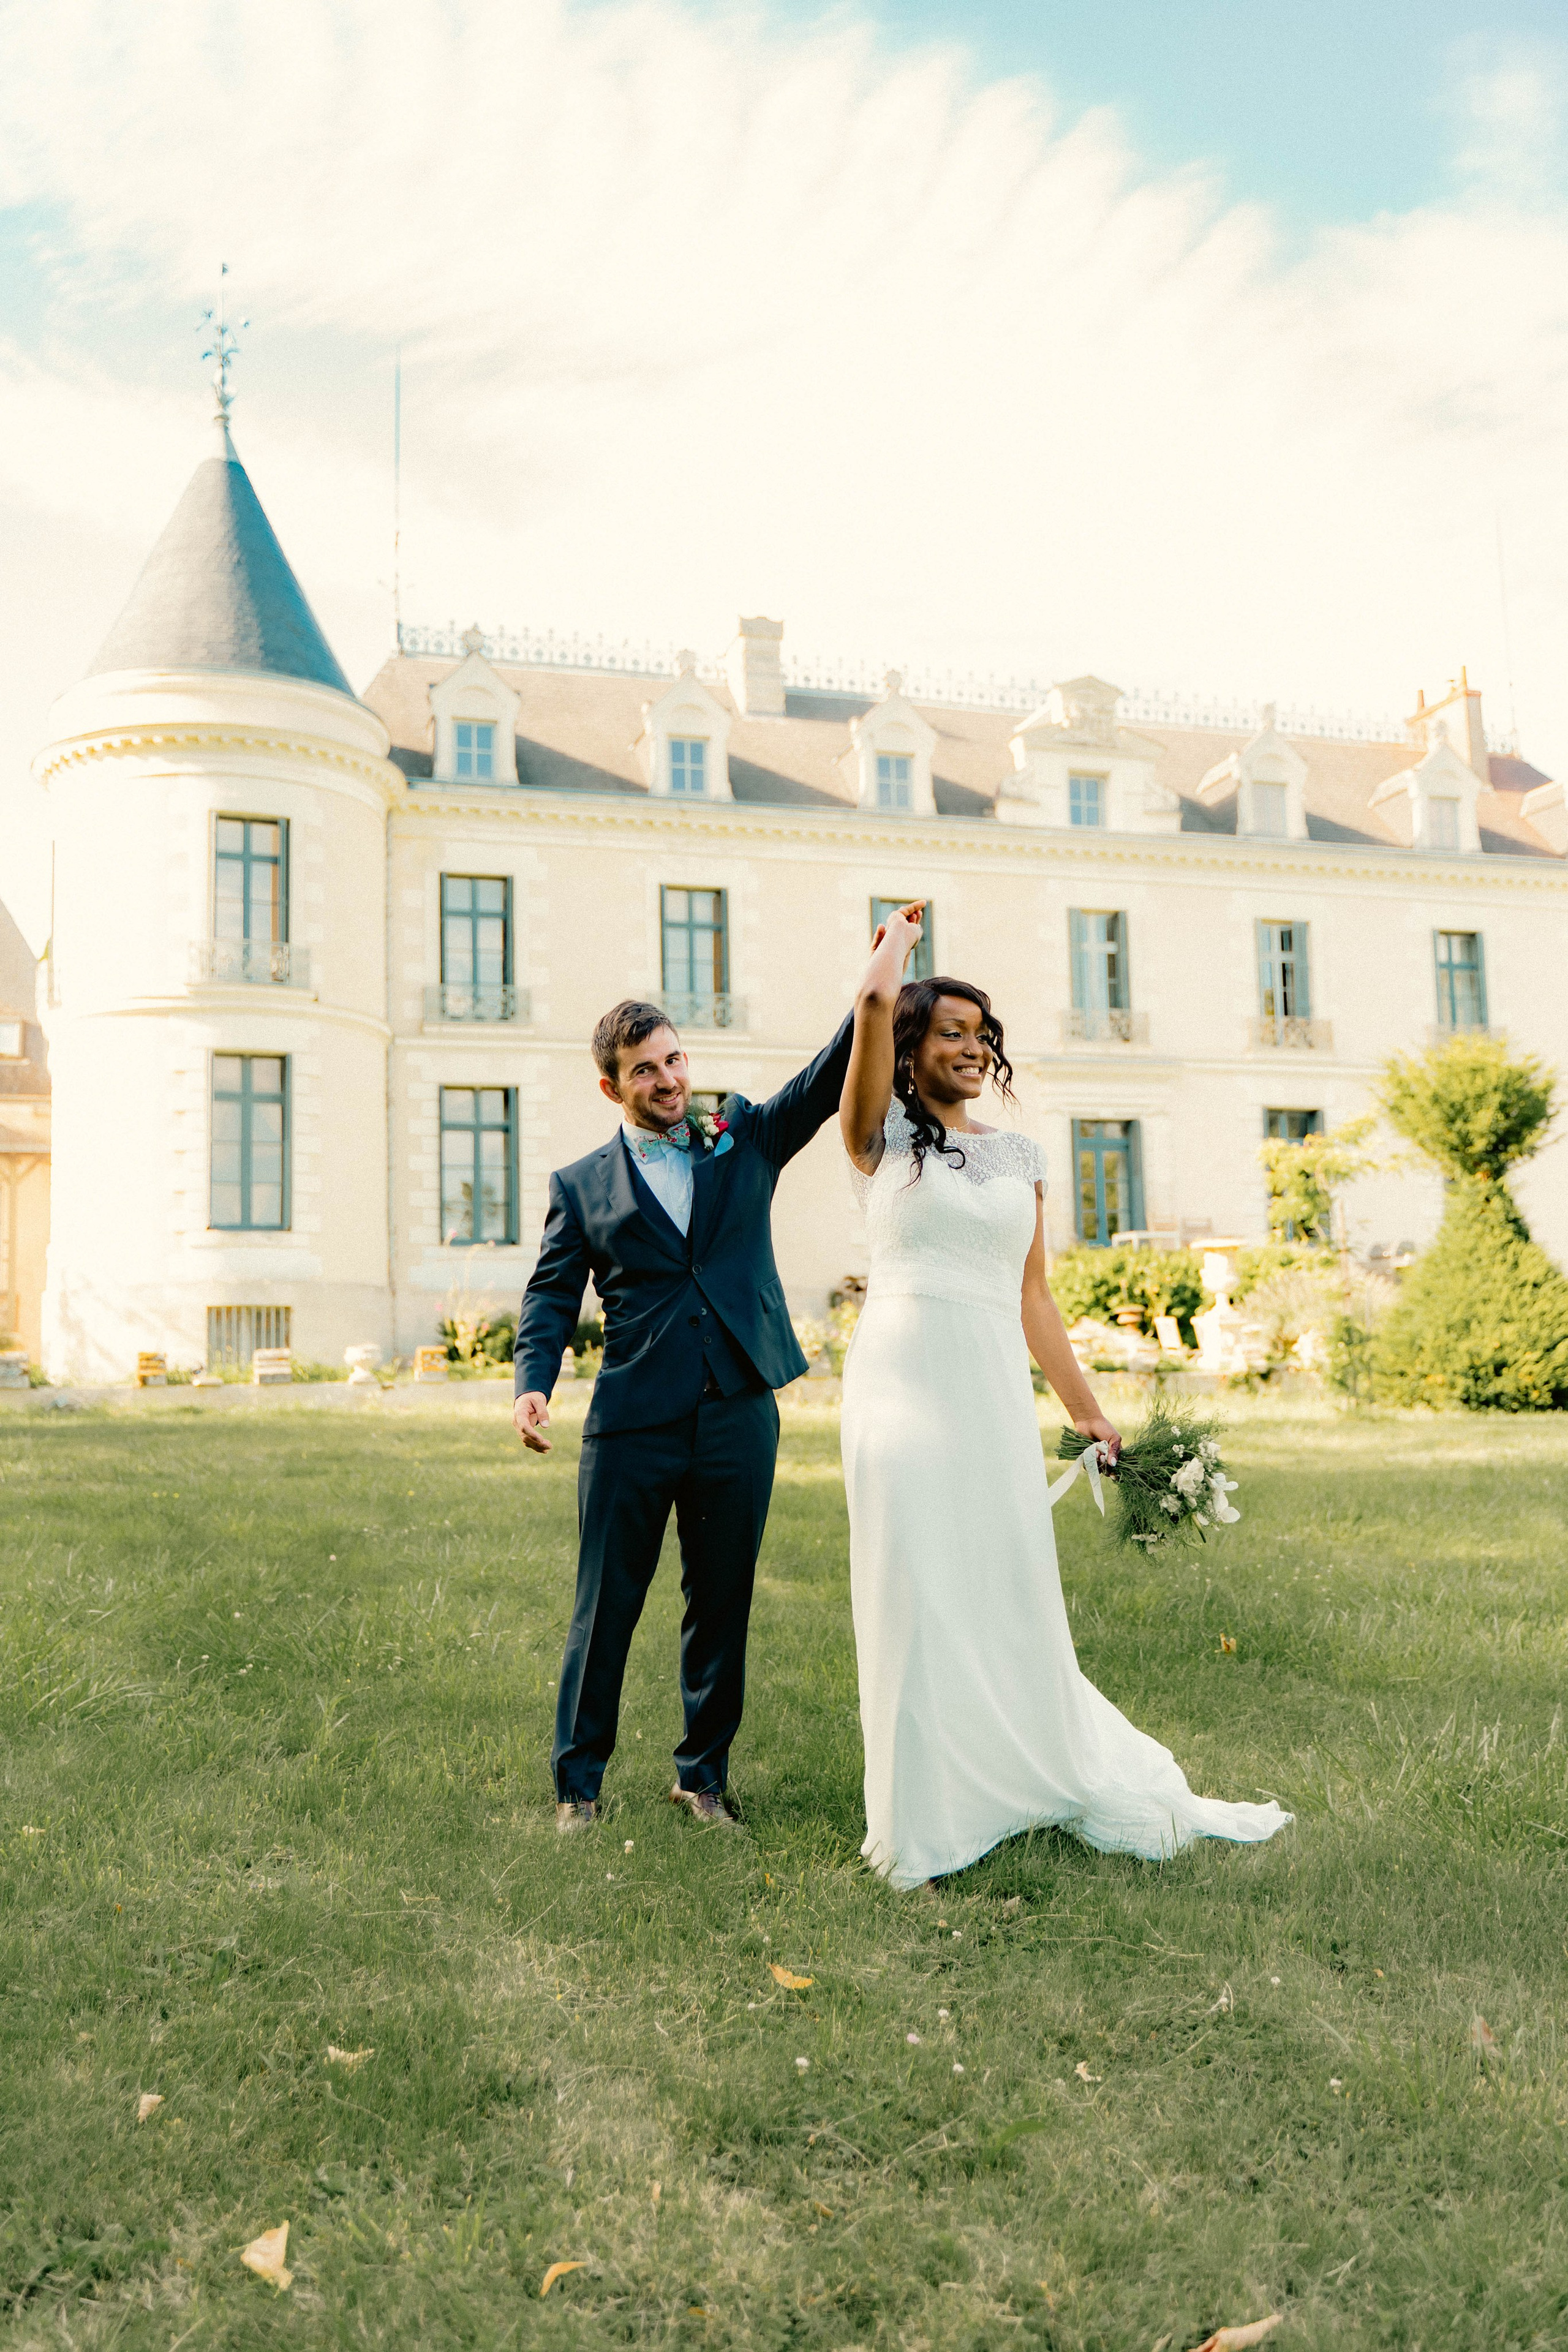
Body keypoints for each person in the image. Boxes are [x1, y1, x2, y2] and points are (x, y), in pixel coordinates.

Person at [838, 903, 1292, 1888]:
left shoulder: (1021, 1159)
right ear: (909, 1049)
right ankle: (924, 1817)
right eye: (947, 1032)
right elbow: (873, 1002)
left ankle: (1018, 1773)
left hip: (990, 1387)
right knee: (915, 1587)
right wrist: (899, 949)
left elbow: (1034, 1296)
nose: (969, 1047)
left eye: (979, 1034)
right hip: (899, 1389)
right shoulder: (876, 1140)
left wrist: (1086, 1408)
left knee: (1002, 1587)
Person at [514, 996, 854, 1833]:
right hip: (632, 1419)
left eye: (674, 1061)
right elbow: (552, 1295)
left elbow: (822, 1082)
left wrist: (876, 986)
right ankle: (577, 1789)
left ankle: (702, 1778)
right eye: (645, 1070)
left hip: (739, 1411)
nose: (668, 1080)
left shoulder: (742, 1139)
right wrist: (534, 1382)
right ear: (611, 1087)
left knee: (722, 1601)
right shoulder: (582, 1185)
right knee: (607, 1609)